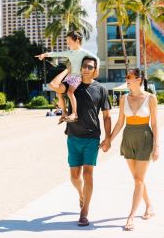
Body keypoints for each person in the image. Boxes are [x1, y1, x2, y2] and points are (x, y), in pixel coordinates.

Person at [51, 56, 111, 227]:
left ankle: (84, 212)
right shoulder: (72, 83)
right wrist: (68, 70)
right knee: (74, 177)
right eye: (83, 66)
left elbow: (106, 116)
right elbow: (54, 85)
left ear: (95, 70)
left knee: (87, 174)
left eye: (89, 66)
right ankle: (81, 195)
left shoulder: (101, 89)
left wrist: (108, 138)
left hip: (92, 137)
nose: (85, 69)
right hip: (73, 136)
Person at [100, 68, 159, 231]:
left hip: (145, 139)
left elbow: (154, 123)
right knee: (137, 179)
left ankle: (131, 217)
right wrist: (108, 140)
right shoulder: (123, 98)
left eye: (129, 77)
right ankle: (149, 206)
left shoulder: (150, 98)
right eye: (126, 76)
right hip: (128, 138)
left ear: (139, 79)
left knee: (139, 180)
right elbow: (120, 123)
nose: (126, 79)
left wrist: (157, 146)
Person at [35, 31, 99, 124]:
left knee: (70, 92)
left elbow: (97, 59)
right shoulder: (70, 52)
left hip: (77, 77)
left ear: (77, 41)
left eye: (69, 42)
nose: (67, 44)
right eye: (67, 42)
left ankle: (74, 113)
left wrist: (96, 70)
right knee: (58, 92)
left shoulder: (84, 53)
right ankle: (64, 112)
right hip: (70, 76)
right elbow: (56, 54)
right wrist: (45, 55)